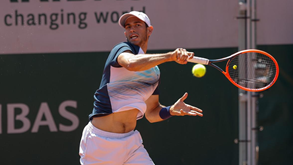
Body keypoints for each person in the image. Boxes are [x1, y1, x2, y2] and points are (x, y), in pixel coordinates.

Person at [79, 11, 203, 165]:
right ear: (125, 32)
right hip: (101, 145)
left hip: (131, 144)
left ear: (149, 30)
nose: (132, 29)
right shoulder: (121, 49)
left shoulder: (154, 72)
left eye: (138, 25)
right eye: (128, 26)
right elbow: (132, 63)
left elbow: (152, 113)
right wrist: (170, 56)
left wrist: (170, 110)